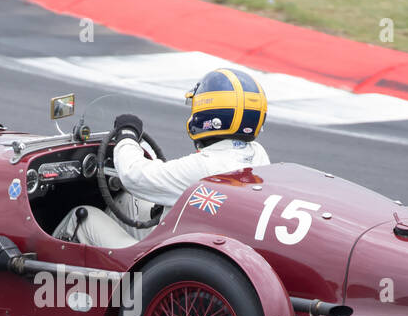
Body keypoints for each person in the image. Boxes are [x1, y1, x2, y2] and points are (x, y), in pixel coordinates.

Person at [53, 68, 271, 248]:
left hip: (171, 258)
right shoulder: (258, 155)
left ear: (208, 116)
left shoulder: (204, 167)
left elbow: (133, 175)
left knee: (81, 217)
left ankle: (51, 290)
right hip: (208, 245)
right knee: (125, 201)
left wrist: (127, 136)